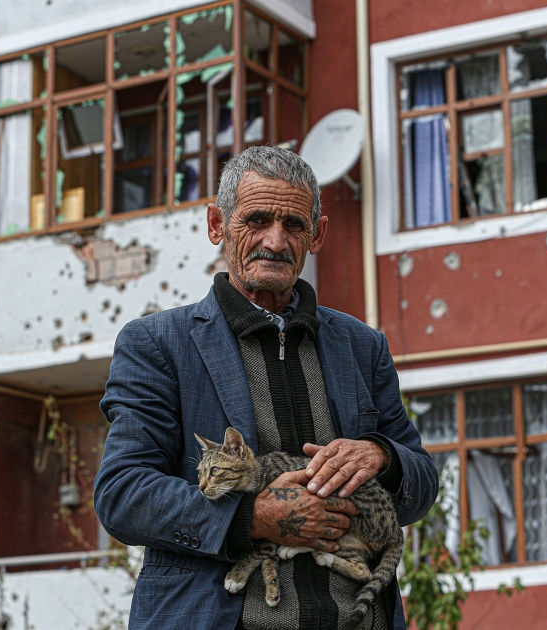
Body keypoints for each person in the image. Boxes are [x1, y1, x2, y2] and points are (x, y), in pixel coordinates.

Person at [94, 146, 438, 630]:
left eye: (294, 225)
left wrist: (383, 456)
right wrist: (251, 516)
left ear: (316, 235)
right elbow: (123, 493)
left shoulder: (362, 346)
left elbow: (421, 483)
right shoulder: (158, 343)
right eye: (256, 220)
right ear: (217, 224)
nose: (275, 242)